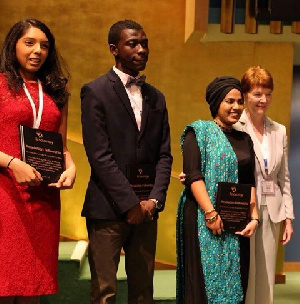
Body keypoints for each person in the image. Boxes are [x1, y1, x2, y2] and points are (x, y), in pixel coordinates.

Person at [80, 19, 172, 304]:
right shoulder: (95, 91)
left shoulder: (156, 97)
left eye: (144, 43)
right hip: (108, 209)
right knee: (105, 293)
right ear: (114, 49)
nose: (141, 49)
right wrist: (130, 203)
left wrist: (153, 202)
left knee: (144, 292)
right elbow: (99, 156)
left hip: (146, 211)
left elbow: (164, 155)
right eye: (133, 43)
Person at [0, 19, 76, 304]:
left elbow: (63, 147)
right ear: (14, 45)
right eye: (29, 43)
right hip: (5, 195)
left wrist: (71, 167)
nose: (37, 51)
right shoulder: (0, 84)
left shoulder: (57, 90)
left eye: (44, 45)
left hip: (44, 197)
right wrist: (11, 163)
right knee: (5, 282)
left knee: (34, 285)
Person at [176, 76, 259, 304]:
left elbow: (248, 181)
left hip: (237, 222)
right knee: (203, 286)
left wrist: (254, 217)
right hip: (204, 219)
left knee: (237, 283)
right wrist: (211, 214)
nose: (236, 107)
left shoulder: (245, 139)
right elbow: (193, 176)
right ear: (216, 103)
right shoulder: (199, 132)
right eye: (229, 101)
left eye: (240, 101)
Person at [234, 66, 294, 304]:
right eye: (258, 94)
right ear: (245, 94)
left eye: (268, 94)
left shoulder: (279, 130)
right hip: (243, 209)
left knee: (267, 273)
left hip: (273, 210)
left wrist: (288, 217)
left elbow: (284, 178)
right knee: (247, 271)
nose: (264, 100)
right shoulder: (235, 127)